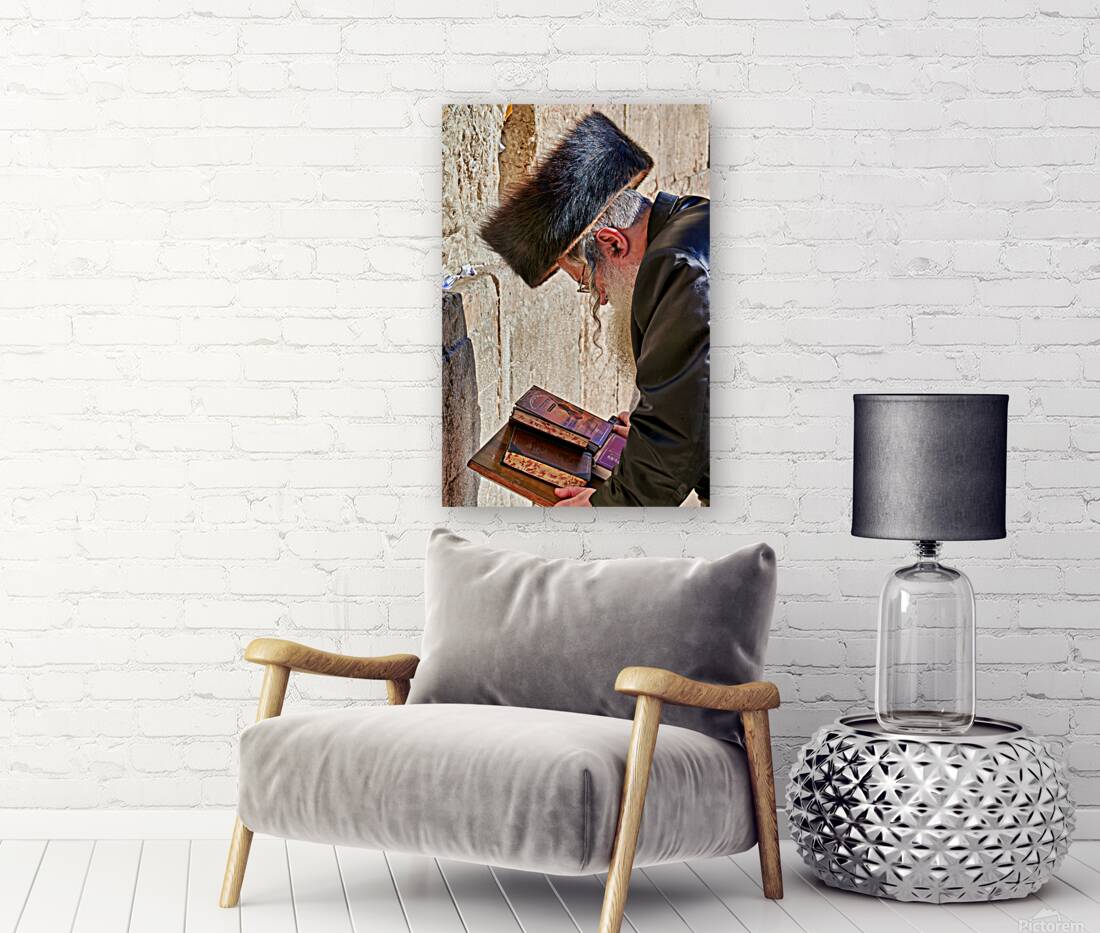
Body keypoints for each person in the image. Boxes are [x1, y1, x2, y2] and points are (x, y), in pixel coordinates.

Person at [480, 110, 709, 508]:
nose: (600, 297)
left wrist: (599, 509)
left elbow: (675, 435)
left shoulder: (677, 268)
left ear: (612, 243)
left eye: (588, 282)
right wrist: (642, 436)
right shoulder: (693, 219)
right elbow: (695, 401)